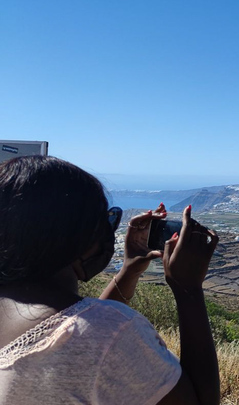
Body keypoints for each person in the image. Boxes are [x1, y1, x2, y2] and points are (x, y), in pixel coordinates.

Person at [0, 155, 220, 405]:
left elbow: (75, 327)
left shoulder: (86, 332)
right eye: (107, 221)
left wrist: (129, 269)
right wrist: (187, 288)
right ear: (76, 235)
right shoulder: (111, 332)